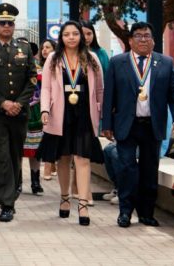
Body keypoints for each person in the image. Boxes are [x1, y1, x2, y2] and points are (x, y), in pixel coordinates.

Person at [102, 21, 174, 228]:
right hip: (126, 125)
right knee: (127, 169)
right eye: (138, 36)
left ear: (153, 40)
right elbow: (109, 96)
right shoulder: (117, 62)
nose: (143, 40)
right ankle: (125, 212)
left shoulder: (165, 63)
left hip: (152, 125)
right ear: (130, 40)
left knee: (149, 170)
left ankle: (147, 213)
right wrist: (107, 124)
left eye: (147, 36)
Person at [37, 21, 104, 226]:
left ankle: (83, 204)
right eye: (67, 34)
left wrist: (100, 112)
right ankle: (65, 197)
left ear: (81, 37)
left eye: (75, 34)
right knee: (63, 158)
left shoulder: (91, 58)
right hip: (60, 113)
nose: (71, 37)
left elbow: (100, 89)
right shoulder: (53, 58)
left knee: (83, 158)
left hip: (84, 113)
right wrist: (45, 109)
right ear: (61, 37)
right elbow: (46, 87)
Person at [0, 3, 36, 222]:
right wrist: (3, 103)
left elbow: (31, 79)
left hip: (19, 113)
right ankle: (7, 203)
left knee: (15, 155)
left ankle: (13, 188)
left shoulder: (24, 48)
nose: (6, 27)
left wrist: (18, 103)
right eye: (2, 23)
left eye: (10, 23)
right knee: (1, 157)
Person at [20, 39, 44, 195]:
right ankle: (17, 181)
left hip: (35, 111)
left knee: (35, 149)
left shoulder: (40, 69)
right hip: (17, 110)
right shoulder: (11, 67)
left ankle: (36, 181)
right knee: (17, 148)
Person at [39, 39, 58, 181]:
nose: (44, 50)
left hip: (55, 105)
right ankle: (49, 165)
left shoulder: (58, 64)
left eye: (48, 47)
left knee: (51, 136)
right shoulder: (37, 66)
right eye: (43, 48)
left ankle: (50, 165)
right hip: (38, 106)